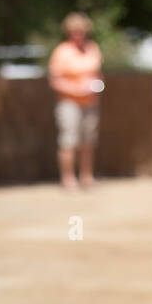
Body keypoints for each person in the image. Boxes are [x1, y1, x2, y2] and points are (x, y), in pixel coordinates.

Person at [48, 13, 103, 189]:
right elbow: (55, 80)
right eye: (75, 31)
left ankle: (87, 177)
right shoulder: (62, 51)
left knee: (88, 141)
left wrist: (97, 86)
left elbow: (98, 76)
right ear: (68, 32)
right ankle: (68, 179)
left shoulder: (93, 48)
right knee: (69, 141)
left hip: (90, 102)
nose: (78, 34)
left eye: (81, 31)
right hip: (69, 103)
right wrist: (76, 89)